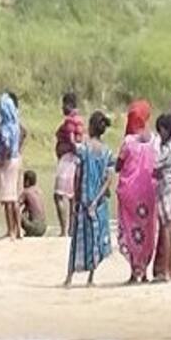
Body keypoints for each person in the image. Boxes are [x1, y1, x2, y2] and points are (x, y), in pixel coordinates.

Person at [65, 112, 114, 288]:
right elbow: (109, 179)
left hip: (84, 200)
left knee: (78, 238)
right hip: (98, 203)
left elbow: (78, 174)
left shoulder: (84, 149)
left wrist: (76, 196)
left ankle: (69, 277)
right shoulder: (107, 152)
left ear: (91, 127)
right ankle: (91, 278)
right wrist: (99, 197)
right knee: (95, 237)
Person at [114, 100, 159, 285]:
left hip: (129, 194)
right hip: (149, 192)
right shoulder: (156, 139)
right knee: (148, 230)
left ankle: (134, 271)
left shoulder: (128, 141)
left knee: (131, 230)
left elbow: (118, 165)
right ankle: (146, 271)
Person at [152, 114, 171, 281]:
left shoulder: (168, 148)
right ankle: (169, 268)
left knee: (166, 229)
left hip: (165, 189)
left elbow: (155, 162)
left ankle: (167, 270)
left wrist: (154, 143)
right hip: (170, 188)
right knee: (168, 228)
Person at [53, 92, 84, 236]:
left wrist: (72, 148)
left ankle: (63, 230)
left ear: (69, 105)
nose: (62, 108)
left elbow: (73, 141)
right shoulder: (80, 120)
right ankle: (72, 228)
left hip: (67, 160)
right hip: (74, 160)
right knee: (72, 196)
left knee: (59, 195)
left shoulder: (70, 121)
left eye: (63, 105)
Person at [0, 92, 25, 239]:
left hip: (7, 162)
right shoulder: (16, 125)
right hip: (16, 159)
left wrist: (1, 157)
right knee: (14, 196)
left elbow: (5, 144)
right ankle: (19, 230)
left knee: (7, 198)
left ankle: (11, 230)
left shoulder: (5, 126)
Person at [21, 171, 49, 238]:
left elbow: (16, 204)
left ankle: (15, 232)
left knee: (13, 210)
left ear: (27, 181)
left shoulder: (26, 192)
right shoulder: (39, 191)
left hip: (35, 227)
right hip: (43, 228)